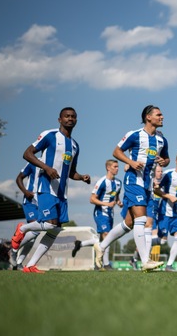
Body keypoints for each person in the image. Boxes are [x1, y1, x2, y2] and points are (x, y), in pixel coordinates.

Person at [11, 107, 91, 273]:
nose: (70, 119)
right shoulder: (50, 135)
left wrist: (82, 177)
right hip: (46, 188)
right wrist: (46, 168)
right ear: (59, 120)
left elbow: (71, 172)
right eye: (67, 116)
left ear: (76, 120)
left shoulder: (75, 146)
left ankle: (30, 265)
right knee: (49, 224)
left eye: (73, 117)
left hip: (63, 193)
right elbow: (27, 153)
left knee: (54, 230)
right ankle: (23, 228)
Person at [95, 105, 169, 272]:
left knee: (129, 223)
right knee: (141, 220)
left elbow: (166, 158)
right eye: (159, 114)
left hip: (148, 185)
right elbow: (116, 151)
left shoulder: (161, 139)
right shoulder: (134, 135)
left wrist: (164, 162)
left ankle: (101, 246)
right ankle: (145, 261)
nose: (162, 117)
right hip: (133, 181)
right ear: (148, 117)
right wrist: (131, 163)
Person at [73, 159, 121, 270]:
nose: (117, 168)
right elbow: (92, 199)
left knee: (102, 240)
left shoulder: (118, 183)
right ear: (108, 168)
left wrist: (118, 202)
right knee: (107, 235)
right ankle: (106, 264)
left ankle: (80, 244)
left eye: (117, 166)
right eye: (115, 166)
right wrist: (106, 204)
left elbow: (116, 196)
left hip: (110, 214)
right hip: (100, 213)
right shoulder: (101, 182)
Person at [10, 163, 41, 269]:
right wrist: (25, 191)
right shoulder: (33, 162)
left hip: (43, 202)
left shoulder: (53, 163)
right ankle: (12, 249)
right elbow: (19, 178)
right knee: (36, 229)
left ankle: (18, 263)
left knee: (33, 237)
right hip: (30, 201)